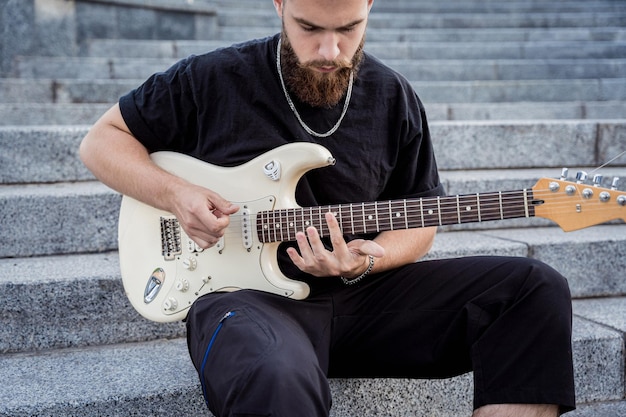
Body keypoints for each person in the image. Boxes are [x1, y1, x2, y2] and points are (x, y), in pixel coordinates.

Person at [79, 0, 576, 415]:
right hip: (245, 300)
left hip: (363, 299)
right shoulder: (211, 79)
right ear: (280, 5)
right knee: (272, 373)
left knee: (534, 291)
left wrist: (369, 259)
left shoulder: (393, 95)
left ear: (369, 8)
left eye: (349, 29)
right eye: (309, 28)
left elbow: (421, 215)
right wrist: (178, 195)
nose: (330, 51)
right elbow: (102, 142)